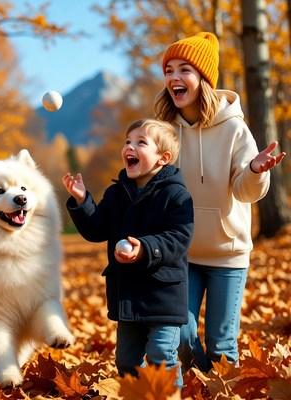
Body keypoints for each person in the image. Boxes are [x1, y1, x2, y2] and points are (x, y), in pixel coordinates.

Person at [153, 32, 286, 373]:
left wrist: (256, 170)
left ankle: (223, 390)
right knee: (179, 338)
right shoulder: (166, 130)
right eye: (168, 70)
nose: (173, 77)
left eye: (184, 69)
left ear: (203, 79)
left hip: (228, 252)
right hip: (182, 251)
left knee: (222, 346)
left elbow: (247, 191)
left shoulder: (234, 129)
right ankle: (202, 385)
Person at [62, 118, 194, 388]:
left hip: (163, 297)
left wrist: (145, 248)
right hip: (128, 297)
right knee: (125, 360)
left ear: (162, 158)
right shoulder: (116, 193)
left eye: (140, 143)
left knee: (161, 355)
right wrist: (82, 201)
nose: (129, 147)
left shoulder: (176, 195)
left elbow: (179, 238)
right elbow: (96, 229)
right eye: (127, 142)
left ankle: (168, 395)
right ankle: (137, 394)